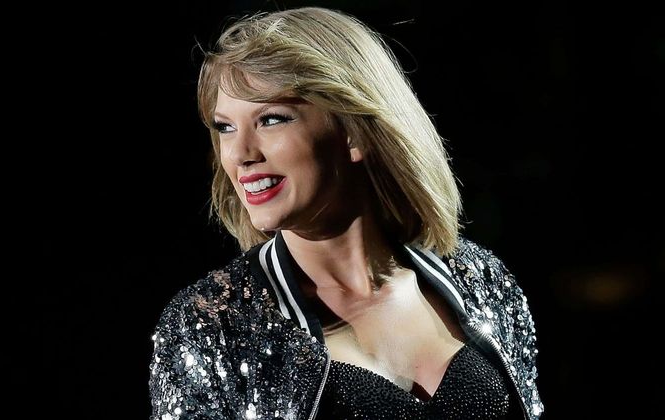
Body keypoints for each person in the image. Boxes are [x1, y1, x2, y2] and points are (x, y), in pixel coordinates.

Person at [149, 6, 543, 420]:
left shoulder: (479, 279)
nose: (240, 154)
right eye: (225, 127)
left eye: (271, 119)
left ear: (354, 132)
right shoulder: (211, 327)